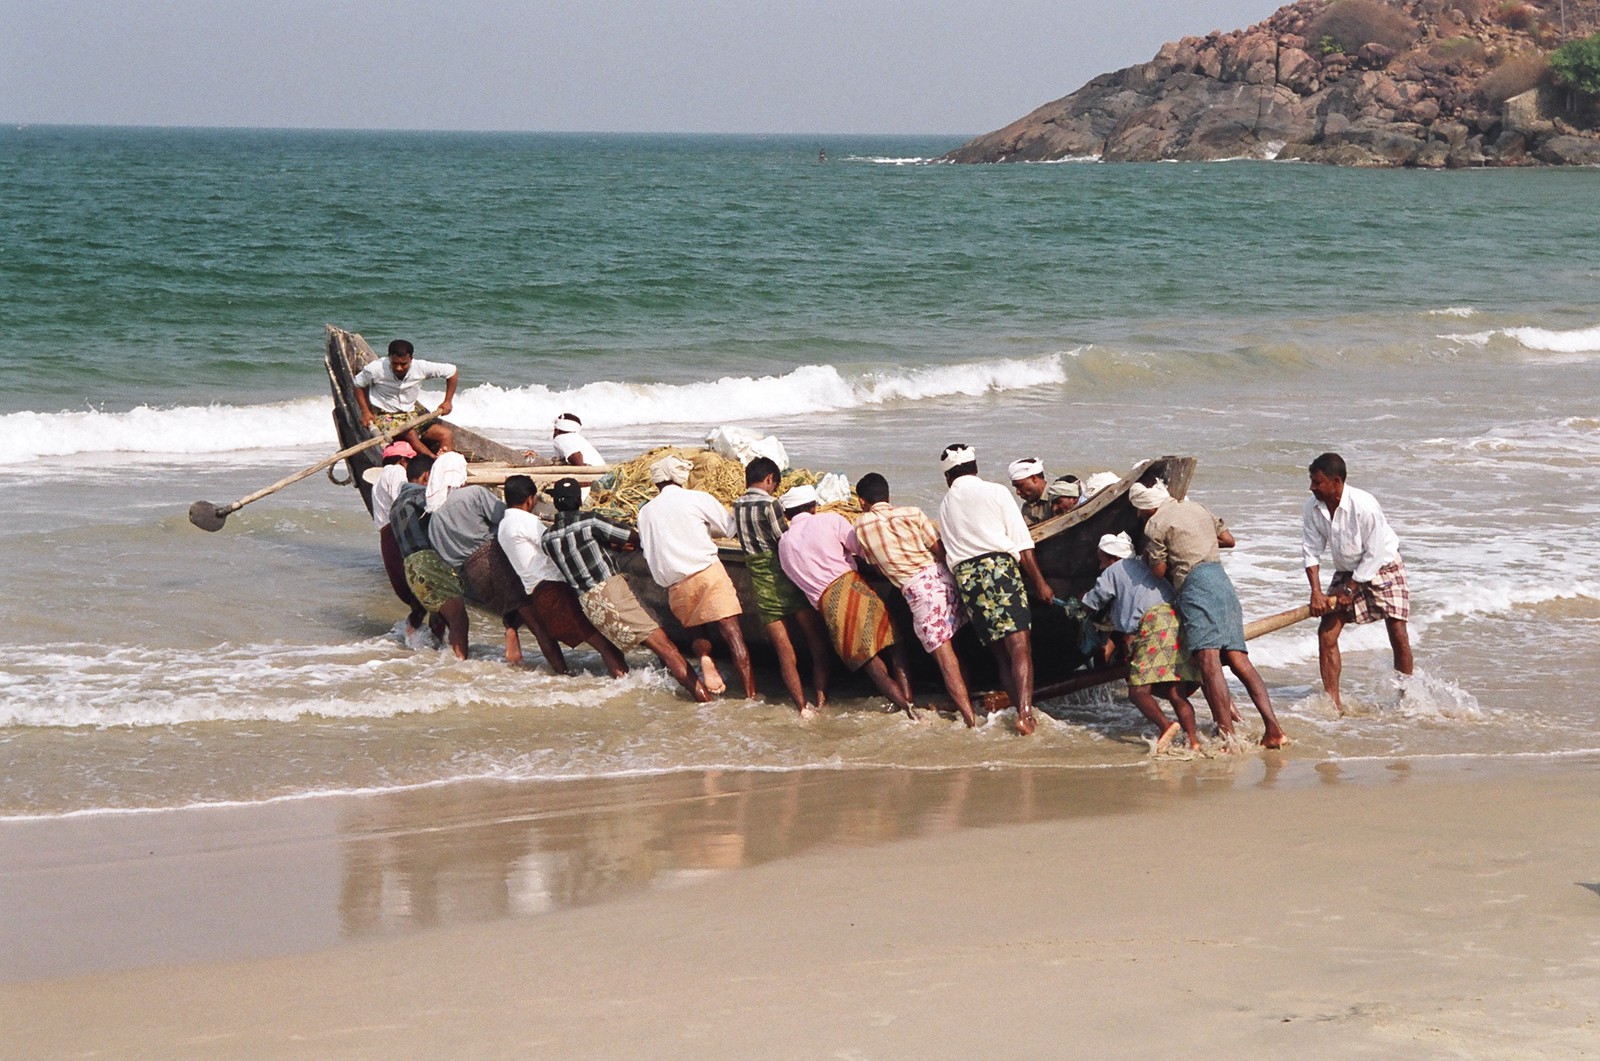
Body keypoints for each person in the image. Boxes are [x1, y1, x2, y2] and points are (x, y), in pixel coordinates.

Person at [1131, 478, 1288, 749]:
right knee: (1240, 660)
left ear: (1145, 509)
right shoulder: (1198, 509)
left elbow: (1158, 571)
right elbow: (1228, 540)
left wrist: (1150, 557)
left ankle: (1227, 736)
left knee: (1208, 661)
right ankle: (1273, 729)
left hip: (1196, 587)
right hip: (1222, 583)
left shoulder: (1155, 524)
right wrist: (1197, 541)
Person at [540, 477, 712, 702]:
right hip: (612, 591)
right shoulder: (591, 521)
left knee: (616, 649)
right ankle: (705, 702)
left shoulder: (547, 538)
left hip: (587, 602)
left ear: (556, 504)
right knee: (666, 648)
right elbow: (631, 536)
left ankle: (628, 697)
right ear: (577, 501)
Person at [936, 444, 1055, 735]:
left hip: (967, 579)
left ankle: (1019, 710)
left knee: (1001, 654)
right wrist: (1040, 584)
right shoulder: (996, 492)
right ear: (975, 468)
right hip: (998, 570)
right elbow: (1023, 545)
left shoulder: (944, 505)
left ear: (949, 477)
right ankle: (1025, 715)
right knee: (1020, 647)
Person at [776, 485, 917, 719]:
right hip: (854, 587)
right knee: (894, 643)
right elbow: (863, 550)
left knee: (869, 660)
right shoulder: (830, 520)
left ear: (788, 514)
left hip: (828, 604)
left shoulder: (784, 543)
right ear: (813, 507)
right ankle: (908, 702)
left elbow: (794, 577)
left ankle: (906, 710)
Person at [852, 473, 977, 727]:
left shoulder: (861, 525)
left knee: (945, 660)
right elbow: (938, 549)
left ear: (862, 501)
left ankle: (970, 720)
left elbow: (875, 566)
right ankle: (967, 702)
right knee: (956, 647)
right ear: (889, 496)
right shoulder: (913, 512)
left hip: (921, 592)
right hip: (944, 579)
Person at [1301, 451, 1413, 715]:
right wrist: (1316, 593)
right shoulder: (1312, 508)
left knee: (1397, 631)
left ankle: (1406, 698)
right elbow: (1310, 550)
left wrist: (1351, 589)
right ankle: (1333, 703)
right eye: (1311, 481)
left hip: (1383, 565)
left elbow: (1374, 554)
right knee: (1326, 633)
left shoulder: (1365, 506)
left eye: (1317, 482)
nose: (1312, 487)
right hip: (1347, 568)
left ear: (1336, 482)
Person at [636, 455, 756, 699]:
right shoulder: (697, 498)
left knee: (696, 632)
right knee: (733, 634)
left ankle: (704, 657)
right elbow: (729, 529)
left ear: (657, 483)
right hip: (707, 573)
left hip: (676, 585)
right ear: (680, 478)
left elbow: (647, 549)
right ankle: (751, 696)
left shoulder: (645, 512)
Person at [1072, 531, 1201, 751]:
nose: (1100, 566)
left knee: (1137, 692)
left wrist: (1081, 601)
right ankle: (1194, 741)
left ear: (1111, 557)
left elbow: (1095, 600)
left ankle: (1166, 726)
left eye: (1101, 559)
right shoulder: (1142, 565)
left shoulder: (1114, 570)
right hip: (1176, 621)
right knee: (1175, 691)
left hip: (1154, 625)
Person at [497, 475, 629, 677]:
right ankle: (625, 683)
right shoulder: (528, 522)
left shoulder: (503, 526)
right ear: (530, 500)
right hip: (555, 588)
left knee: (549, 635)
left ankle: (564, 676)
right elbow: (556, 544)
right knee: (602, 642)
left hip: (536, 592)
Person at [732, 457, 832, 717]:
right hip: (784, 576)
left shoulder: (737, 504)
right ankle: (821, 698)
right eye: (774, 483)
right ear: (768, 479)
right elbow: (784, 540)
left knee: (784, 651)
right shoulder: (770, 504)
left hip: (761, 583)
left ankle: (801, 707)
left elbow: (735, 535)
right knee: (816, 641)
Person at [387, 454, 470, 659]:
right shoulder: (420, 495)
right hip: (429, 561)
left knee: (439, 614)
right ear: (427, 477)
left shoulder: (396, 503)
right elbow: (445, 509)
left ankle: (431, 654)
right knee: (458, 617)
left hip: (411, 566)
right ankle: (459, 666)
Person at [353, 339, 458, 458]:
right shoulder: (375, 369)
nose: (398, 368)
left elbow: (452, 372)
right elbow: (357, 384)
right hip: (384, 416)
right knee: (409, 432)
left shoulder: (421, 367)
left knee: (446, 434)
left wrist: (447, 401)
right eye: (394, 363)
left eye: (403, 364)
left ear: (411, 359)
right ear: (389, 358)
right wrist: (365, 412)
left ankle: (445, 462)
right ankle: (432, 460)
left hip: (411, 414)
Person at [371, 440, 426, 634]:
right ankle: (415, 633)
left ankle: (414, 634)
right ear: (403, 461)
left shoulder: (379, 479)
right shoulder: (397, 473)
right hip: (396, 534)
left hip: (387, 536)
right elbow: (402, 501)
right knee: (423, 592)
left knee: (415, 597)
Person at [1007, 458, 1054, 525]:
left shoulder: (1058, 498)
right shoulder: (1027, 509)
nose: (1018, 492)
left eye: (1020, 486)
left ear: (1033, 479)